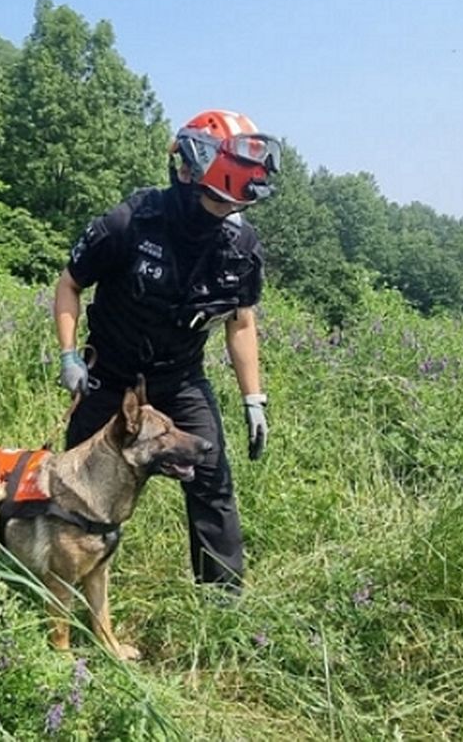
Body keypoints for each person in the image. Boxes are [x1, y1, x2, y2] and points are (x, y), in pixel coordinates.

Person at [52, 110, 279, 591]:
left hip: (180, 379)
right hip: (110, 375)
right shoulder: (130, 222)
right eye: (216, 200)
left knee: (211, 478)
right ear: (189, 171)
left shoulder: (240, 246)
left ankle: (222, 600)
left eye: (231, 205)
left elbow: (241, 323)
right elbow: (70, 284)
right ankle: (60, 585)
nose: (223, 212)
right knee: (72, 481)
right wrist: (69, 356)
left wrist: (253, 399)